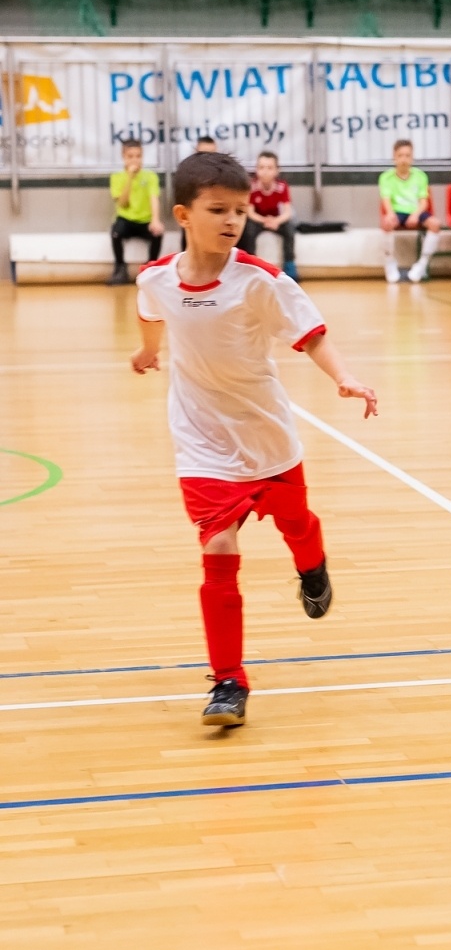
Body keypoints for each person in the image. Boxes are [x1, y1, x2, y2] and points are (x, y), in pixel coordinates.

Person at [130, 151, 377, 730]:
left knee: (297, 525)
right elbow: (150, 310)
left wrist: (343, 377)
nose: (232, 220)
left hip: (265, 435)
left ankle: (311, 565)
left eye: (240, 210)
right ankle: (228, 683)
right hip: (201, 441)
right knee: (218, 551)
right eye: (219, 209)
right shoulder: (156, 277)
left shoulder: (262, 282)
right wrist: (148, 350)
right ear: (184, 214)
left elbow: (311, 335)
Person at [379, 139, 442, 284]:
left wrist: (415, 214)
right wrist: (390, 214)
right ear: (394, 157)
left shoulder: (421, 176)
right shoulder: (386, 177)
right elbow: (386, 200)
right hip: (397, 211)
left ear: (412, 157)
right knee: (387, 223)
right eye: (400, 155)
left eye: (407, 155)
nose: (404, 159)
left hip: (415, 211)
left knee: (435, 224)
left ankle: (422, 264)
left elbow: (424, 202)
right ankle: (390, 263)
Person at [108, 139, 164, 286]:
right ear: (124, 157)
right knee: (116, 232)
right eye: (130, 156)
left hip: (145, 220)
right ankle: (120, 268)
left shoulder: (150, 176)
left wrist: (155, 219)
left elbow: (154, 198)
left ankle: (151, 268)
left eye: (138, 156)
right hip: (126, 219)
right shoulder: (117, 177)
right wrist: (130, 178)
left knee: (157, 233)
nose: (135, 160)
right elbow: (123, 203)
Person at [238, 151, 297, 281]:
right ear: (256, 170)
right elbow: (250, 212)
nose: (265, 172)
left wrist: (276, 221)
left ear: (277, 171)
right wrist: (264, 220)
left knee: (289, 228)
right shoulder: (252, 187)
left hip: (276, 220)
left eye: (269, 168)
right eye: (261, 167)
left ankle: (290, 265)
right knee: (248, 230)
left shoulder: (282, 187)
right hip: (259, 220)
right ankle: (251, 265)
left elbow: (287, 212)